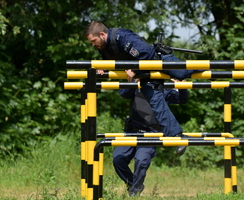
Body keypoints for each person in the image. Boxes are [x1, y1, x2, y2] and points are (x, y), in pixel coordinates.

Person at [83, 20, 201, 155]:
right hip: (145, 74)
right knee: (156, 104)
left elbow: (145, 53)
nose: (93, 44)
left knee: (181, 73)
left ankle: (206, 66)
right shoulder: (103, 47)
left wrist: (133, 70)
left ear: (102, 34)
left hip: (157, 61)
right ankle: (178, 137)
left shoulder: (122, 36)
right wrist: (104, 67)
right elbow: (114, 61)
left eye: (93, 40)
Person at [113, 75, 189, 197]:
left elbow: (182, 99)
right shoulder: (138, 82)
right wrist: (133, 81)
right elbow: (123, 94)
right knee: (118, 159)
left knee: (141, 160)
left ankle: (134, 193)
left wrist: (182, 87)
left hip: (151, 133)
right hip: (132, 131)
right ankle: (133, 183)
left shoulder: (163, 88)